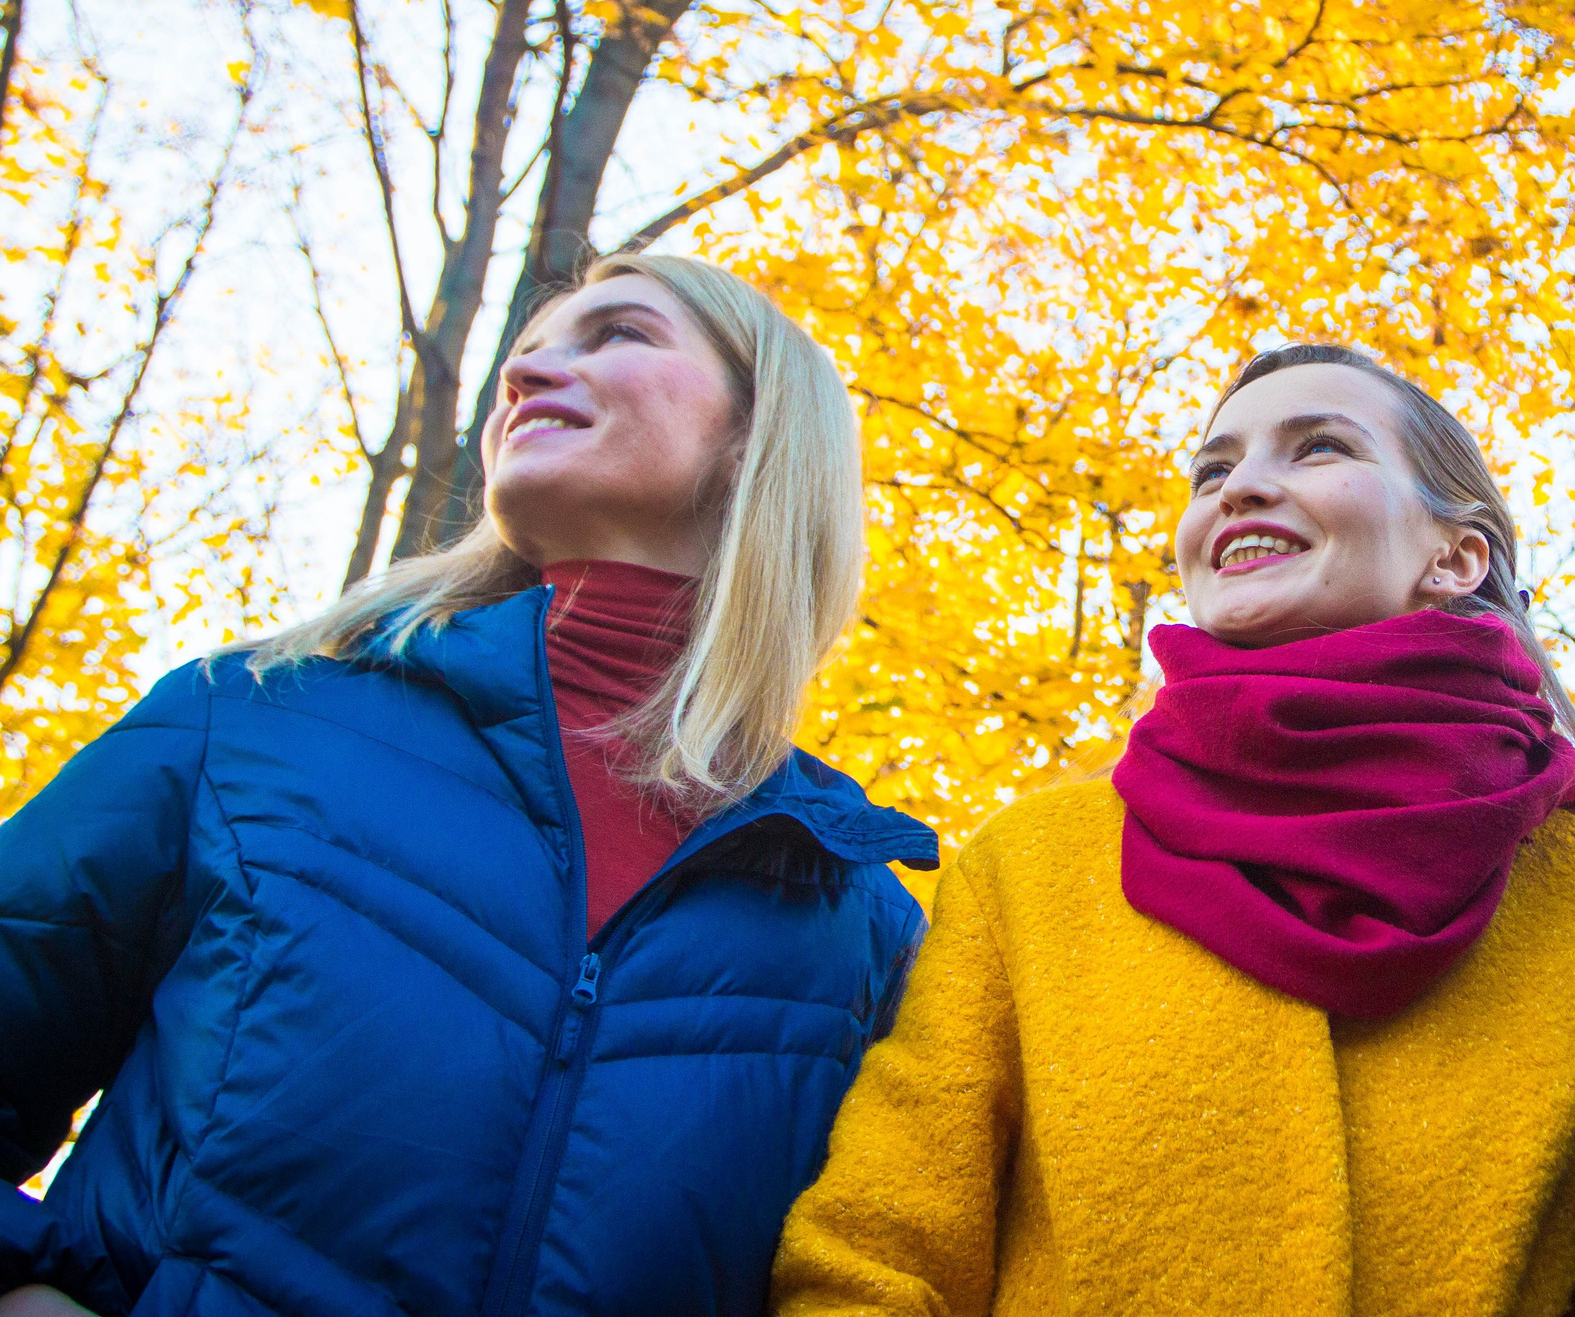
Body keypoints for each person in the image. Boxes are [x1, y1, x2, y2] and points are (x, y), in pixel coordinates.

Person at [0, 253, 936, 1317]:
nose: (528, 374)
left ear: (758, 435)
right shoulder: (252, 720)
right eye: (527, 353)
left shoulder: (859, 928)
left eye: (618, 333)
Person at [769, 343, 1575, 1317]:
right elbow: (871, 1261)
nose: (1241, 488)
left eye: (1317, 449)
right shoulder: (1032, 870)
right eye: (1213, 470)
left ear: (1455, 555)